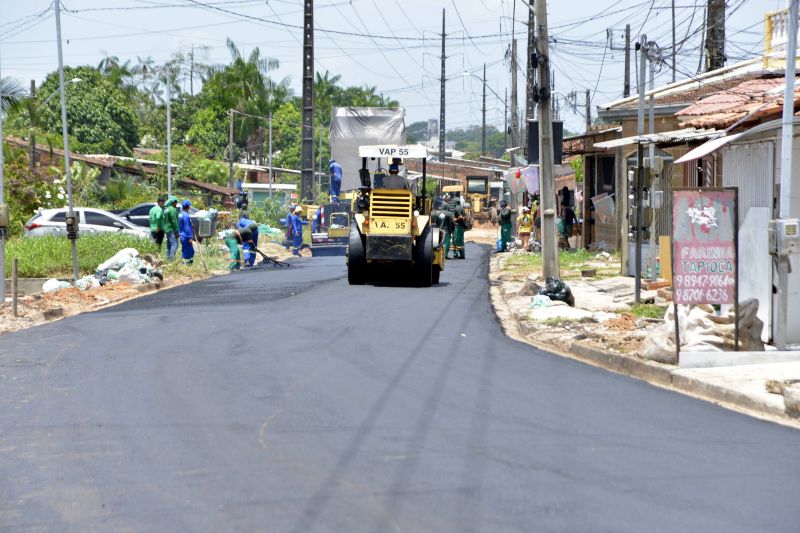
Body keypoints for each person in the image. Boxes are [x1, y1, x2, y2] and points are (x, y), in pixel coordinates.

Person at [178, 200, 196, 265]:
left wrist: (191, 224)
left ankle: (190, 264)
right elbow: (186, 228)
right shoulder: (185, 215)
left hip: (183, 235)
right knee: (186, 253)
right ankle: (185, 265)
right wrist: (189, 238)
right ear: (188, 207)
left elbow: (186, 224)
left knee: (191, 252)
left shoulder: (182, 214)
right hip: (186, 237)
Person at [163, 196, 180, 261]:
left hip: (167, 229)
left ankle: (167, 259)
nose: (176, 204)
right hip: (171, 229)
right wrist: (177, 232)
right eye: (176, 202)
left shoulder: (166, 209)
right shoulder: (172, 210)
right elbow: (174, 222)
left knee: (169, 244)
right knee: (175, 244)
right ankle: (172, 259)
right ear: (173, 202)